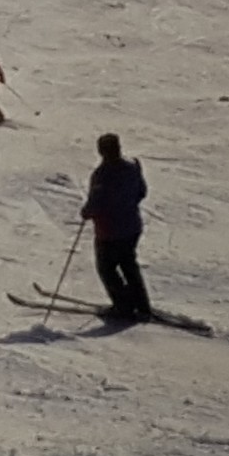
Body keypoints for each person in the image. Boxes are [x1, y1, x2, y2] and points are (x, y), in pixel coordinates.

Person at [79, 133, 152, 321]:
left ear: (101, 151)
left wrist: (86, 212)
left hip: (109, 231)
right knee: (129, 265)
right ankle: (142, 305)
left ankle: (123, 306)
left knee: (107, 268)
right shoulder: (132, 167)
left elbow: (94, 204)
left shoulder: (101, 175)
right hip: (132, 226)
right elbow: (142, 192)